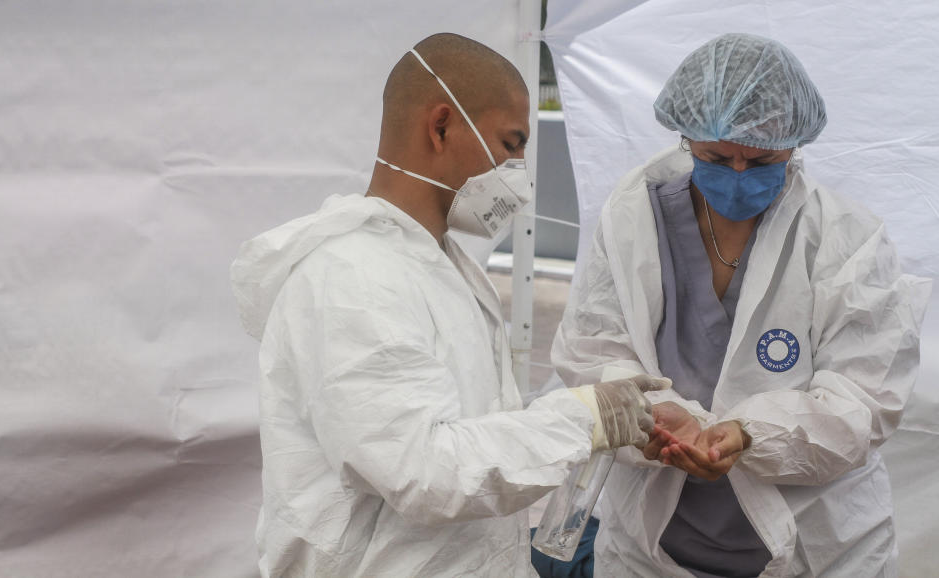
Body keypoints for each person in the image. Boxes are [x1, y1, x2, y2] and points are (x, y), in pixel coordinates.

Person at [231, 33, 668, 578]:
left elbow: (476, 428)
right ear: (441, 126)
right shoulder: (353, 276)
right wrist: (584, 418)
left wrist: (603, 414)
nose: (520, 172)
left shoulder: (441, 264)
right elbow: (422, 471)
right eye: (511, 144)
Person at [552, 33, 932, 577]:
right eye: (714, 156)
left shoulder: (847, 238)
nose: (735, 174)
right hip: (653, 547)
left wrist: (752, 435)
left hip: (817, 546)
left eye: (759, 160)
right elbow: (593, 350)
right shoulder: (635, 220)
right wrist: (652, 419)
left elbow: (865, 398)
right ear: (685, 136)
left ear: (794, 144)